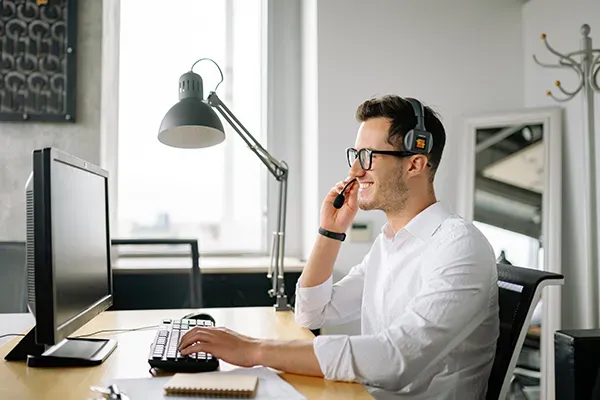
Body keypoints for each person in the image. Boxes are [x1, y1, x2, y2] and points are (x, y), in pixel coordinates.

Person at [178, 95, 499, 399]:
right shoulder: (389, 244)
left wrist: (253, 351)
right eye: (355, 155)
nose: (355, 171)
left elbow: (396, 359)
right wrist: (330, 232)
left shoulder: (459, 247)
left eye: (368, 157)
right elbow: (311, 313)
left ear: (414, 164)